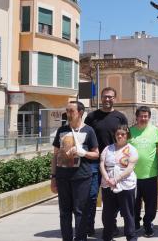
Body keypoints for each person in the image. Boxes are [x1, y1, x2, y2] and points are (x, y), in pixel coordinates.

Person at [50, 101, 99, 241]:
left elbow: (96, 154)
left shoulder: (88, 130)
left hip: (82, 177)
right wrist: (53, 177)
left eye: (71, 111)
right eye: (67, 111)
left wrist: (83, 153)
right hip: (62, 177)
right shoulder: (61, 130)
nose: (68, 114)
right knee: (64, 212)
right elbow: (54, 155)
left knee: (80, 211)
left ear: (80, 113)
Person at [84, 87, 128, 236]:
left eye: (110, 97)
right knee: (91, 196)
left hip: (113, 163)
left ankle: (111, 225)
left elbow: (125, 140)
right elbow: (85, 138)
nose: (107, 99)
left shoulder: (120, 117)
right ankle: (88, 226)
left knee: (112, 197)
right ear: (100, 98)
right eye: (104, 97)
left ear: (115, 98)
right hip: (94, 163)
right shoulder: (91, 117)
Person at [100, 125, 138, 241]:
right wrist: (107, 178)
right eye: (118, 134)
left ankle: (131, 237)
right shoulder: (107, 148)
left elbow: (130, 167)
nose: (120, 136)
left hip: (125, 184)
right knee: (108, 214)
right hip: (108, 184)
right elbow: (102, 164)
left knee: (127, 213)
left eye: (123, 134)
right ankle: (107, 237)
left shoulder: (132, 149)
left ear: (127, 135)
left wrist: (116, 180)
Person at [128, 106, 158, 237]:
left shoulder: (156, 131)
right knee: (134, 203)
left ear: (149, 117)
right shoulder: (130, 131)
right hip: (132, 175)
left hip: (150, 174)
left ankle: (148, 224)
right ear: (136, 117)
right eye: (141, 116)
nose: (143, 118)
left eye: (146, 116)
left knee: (151, 204)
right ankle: (135, 223)